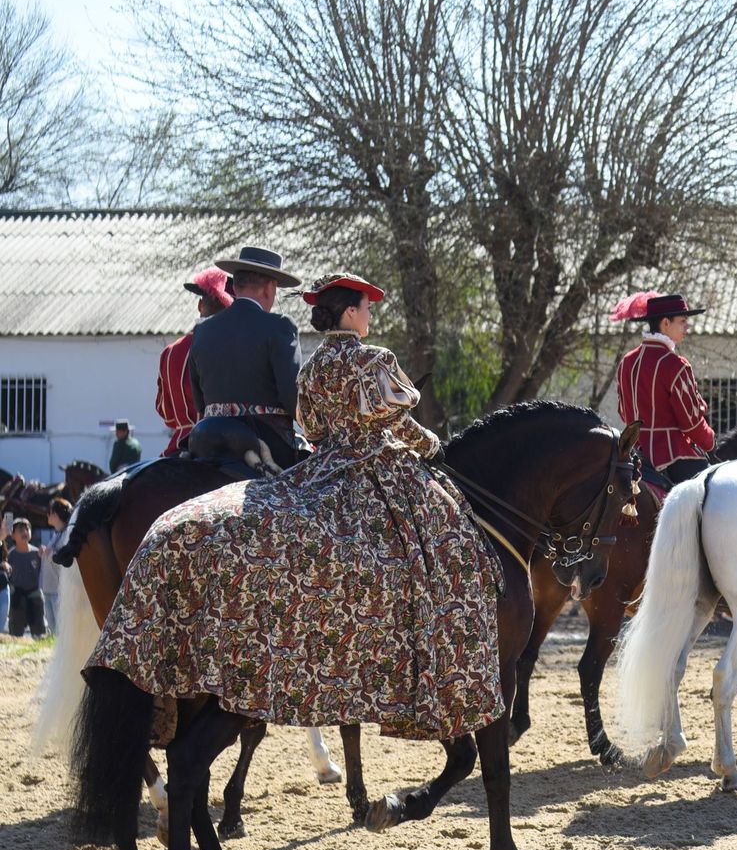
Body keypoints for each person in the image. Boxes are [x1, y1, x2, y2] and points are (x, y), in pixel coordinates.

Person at [88, 272, 504, 741]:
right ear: (350, 312)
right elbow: (400, 426)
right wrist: (432, 446)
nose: (369, 315)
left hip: (320, 471)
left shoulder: (314, 367)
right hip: (375, 471)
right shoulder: (374, 360)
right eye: (366, 307)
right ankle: (437, 658)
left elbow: (313, 426)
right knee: (445, 543)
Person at [188, 246, 304, 469]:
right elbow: (292, 396)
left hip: (207, 439)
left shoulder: (202, 330)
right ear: (270, 289)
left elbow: (199, 401)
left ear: (236, 286)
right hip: (266, 442)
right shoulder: (279, 326)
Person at [612, 292, 715, 485]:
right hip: (672, 456)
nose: (687, 326)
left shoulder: (627, 362)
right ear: (665, 323)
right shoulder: (676, 365)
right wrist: (710, 441)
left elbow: (623, 410)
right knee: (711, 497)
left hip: (632, 452)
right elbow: (690, 422)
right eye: (683, 321)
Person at [157, 266, 234, 456]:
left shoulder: (170, 352)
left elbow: (164, 412)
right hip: (219, 446)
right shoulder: (230, 348)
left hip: (178, 445)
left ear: (200, 305)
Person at [6, 519, 46, 637]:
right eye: (20, 530)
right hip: (17, 594)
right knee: (16, 629)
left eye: (27, 529)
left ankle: (39, 639)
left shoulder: (37, 553)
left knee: (39, 628)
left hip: (34, 592)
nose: (25, 532)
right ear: (13, 535)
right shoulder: (10, 555)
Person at [41, 496, 70, 633]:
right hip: (48, 588)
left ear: (57, 514)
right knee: (52, 629)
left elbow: (64, 560)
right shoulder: (56, 534)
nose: (47, 515)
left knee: (60, 629)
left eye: (50, 512)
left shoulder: (66, 535)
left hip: (58, 590)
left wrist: (49, 553)